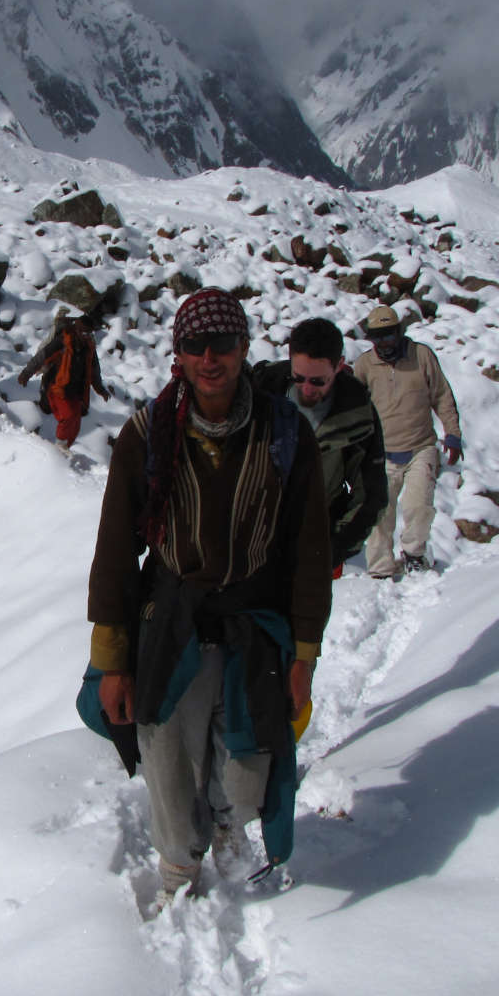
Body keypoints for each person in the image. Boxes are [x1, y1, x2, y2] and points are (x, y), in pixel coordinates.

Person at [83, 289, 332, 903]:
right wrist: (112, 660)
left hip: (256, 619)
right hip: (172, 618)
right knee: (165, 751)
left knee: (247, 762)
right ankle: (177, 865)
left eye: (222, 343)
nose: (209, 358)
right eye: (194, 345)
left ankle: (225, 816)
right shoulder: (148, 435)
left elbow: (308, 551)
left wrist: (305, 654)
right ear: (178, 355)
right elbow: (116, 551)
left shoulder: (284, 433)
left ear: (245, 349)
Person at [254, 317, 388, 577]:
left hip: (312, 540)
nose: (306, 388)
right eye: (298, 377)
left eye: (318, 381)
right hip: (252, 536)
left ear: (339, 366)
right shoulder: (262, 388)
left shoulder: (357, 413)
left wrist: (333, 548)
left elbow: (371, 495)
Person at [351, 305, 462, 578]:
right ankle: (380, 568)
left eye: (388, 335)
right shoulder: (365, 365)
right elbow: (354, 405)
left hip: (420, 447)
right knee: (379, 515)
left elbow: (442, 396)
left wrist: (453, 433)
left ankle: (414, 554)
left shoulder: (421, 356)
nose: (384, 342)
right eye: (377, 337)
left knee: (418, 506)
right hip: (382, 452)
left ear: (399, 332)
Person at [16, 310, 111, 448]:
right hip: (57, 387)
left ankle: (65, 448)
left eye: (90, 334)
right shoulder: (63, 341)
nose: (88, 336)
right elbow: (41, 357)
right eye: (85, 333)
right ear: (77, 330)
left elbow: (94, 370)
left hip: (75, 390)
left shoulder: (89, 347)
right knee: (68, 417)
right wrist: (26, 373)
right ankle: (59, 448)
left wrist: (100, 389)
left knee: (76, 423)